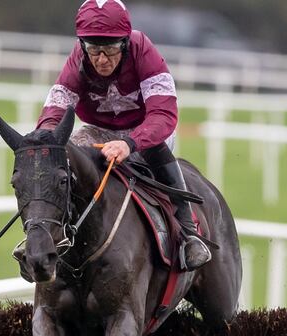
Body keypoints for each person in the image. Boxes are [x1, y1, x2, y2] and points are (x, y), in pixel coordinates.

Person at [35, 0, 211, 271]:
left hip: (146, 129)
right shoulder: (78, 58)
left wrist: (130, 143)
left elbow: (163, 115)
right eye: (94, 49)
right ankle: (48, 236)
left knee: (155, 148)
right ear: (83, 45)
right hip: (98, 130)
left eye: (110, 49)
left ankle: (189, 233)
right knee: (66, 154)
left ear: (126, 43)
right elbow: (55, 108)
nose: (102, 59)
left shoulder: (144, 51)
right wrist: (44, 137)